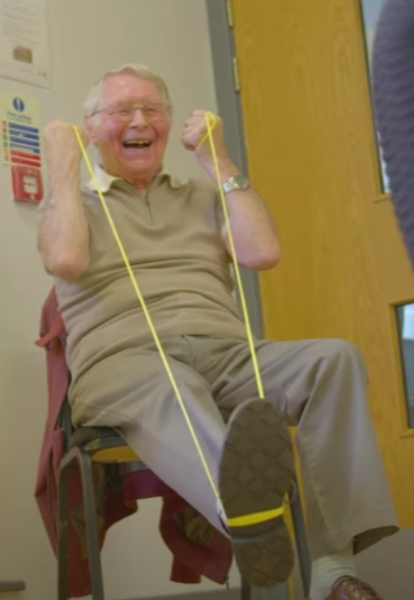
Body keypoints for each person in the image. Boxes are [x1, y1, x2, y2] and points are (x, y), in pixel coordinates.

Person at [38, 64, 399, 600]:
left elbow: (262, 253)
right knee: (170, 385)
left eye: (152, 110)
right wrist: (63, 167)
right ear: (91, 129)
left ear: (169, 123)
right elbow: (65, 259)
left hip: (228, 356)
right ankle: (246, 516)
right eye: (120, 111)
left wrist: (217, 158)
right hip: (125, 365)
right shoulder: (75, 202)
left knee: (334, 358)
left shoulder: (204, 194)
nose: (139, 120)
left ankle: (331, 566)